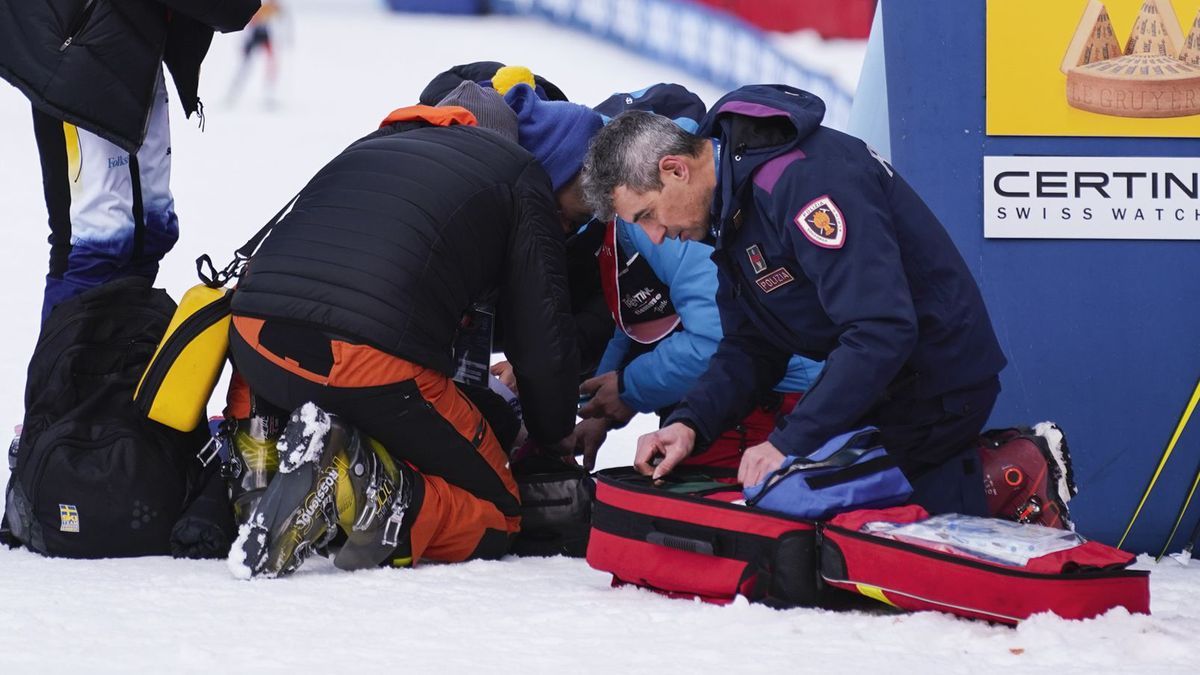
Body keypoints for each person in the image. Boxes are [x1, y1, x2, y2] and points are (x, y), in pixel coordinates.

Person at [581, 84, 1009, 516]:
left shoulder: (800, 183)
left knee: (792, 499)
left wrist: (788, 443)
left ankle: (1014, 478)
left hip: (937, 387)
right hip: (881, 387)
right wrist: (690, 424)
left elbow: (881, 329)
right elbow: (751, 346)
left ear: (675, 170)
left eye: (648, 215)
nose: (655, 235)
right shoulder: (732, 202)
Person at [225, 81, 590, 578]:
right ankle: (368, 488)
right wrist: (552, 435)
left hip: (252, 347)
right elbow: (541, 337)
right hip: (367, 361)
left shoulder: (365, 147)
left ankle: (258, 488)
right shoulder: (516, 172)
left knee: (343, 388)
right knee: (499, 515)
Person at [572, 83, 823, 472]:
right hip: (756, 385)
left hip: (778, 393)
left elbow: (714, 335)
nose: (656, 232)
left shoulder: (654, 207)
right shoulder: (645, 205)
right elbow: (635, 310)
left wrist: (628, 388)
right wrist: (604, 403)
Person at [0, 0, 260, 321]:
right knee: (99, 243)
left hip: (124, 51)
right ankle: (70, 367)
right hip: (83, 55)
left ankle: (114, 363)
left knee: (146, 236)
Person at [225, 0, 289, 108]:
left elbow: (281, 20)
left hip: (264, 36)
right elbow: (248, 25)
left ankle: (269, 95)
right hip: (254, 37)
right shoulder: (260, 7)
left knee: (271, 65)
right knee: (245, 67)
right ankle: (232, 94)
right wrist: (244, 43)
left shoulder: (272, 7)